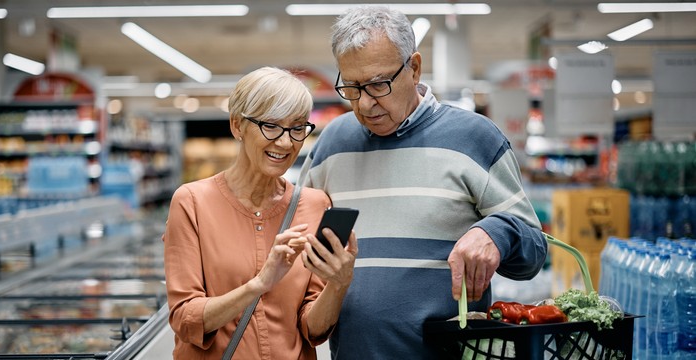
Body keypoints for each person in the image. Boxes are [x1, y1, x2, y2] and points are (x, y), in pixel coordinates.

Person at [297, 6, 548, 358]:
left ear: (414, 68)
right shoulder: (332, 143)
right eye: (352, 87)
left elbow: (535, 249)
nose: (366, 103)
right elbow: (302, 247)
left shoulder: (475, 138)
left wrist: (498, 231)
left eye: (378, 84)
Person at [163, 66, 357, 359]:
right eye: (270, 125)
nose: (285, 142)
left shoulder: (315, 204)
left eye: (296, 127)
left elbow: (313, 330)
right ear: (237, 125)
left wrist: (339, 283)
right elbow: (185, 319)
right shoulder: (192, 202)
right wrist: (259, 284)